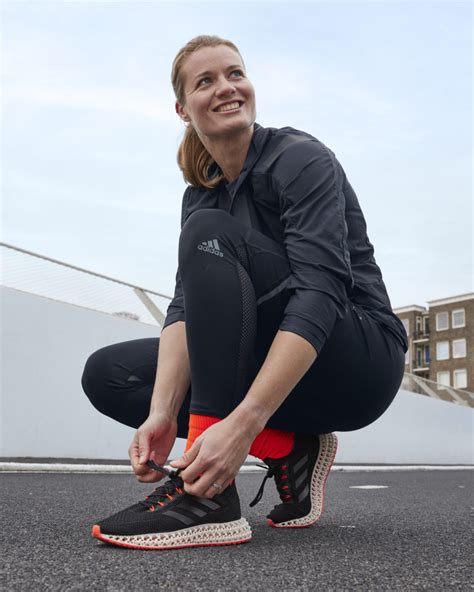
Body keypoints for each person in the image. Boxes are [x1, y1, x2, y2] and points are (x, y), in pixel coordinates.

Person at [81, 34, 408, 550]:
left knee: (210, 233)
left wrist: (244, 419)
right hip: (280, 361)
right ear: (183, 109)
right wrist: (164, 413)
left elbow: (319, 293)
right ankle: (291, 448)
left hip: (357, 357)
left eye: (235, 73)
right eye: (206, 81)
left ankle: (209, 497)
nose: (226, 87)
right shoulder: (201, 196)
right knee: (109, 375)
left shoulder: (300, 159)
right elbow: (186, 309)